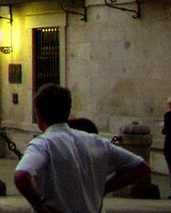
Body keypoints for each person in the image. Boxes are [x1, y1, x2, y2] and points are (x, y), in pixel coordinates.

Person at [13, 83, 149, 213]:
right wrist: (104, 188)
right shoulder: (96, 141)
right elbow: (141, 167)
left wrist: (40, 207)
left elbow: (21, 175)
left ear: (38, 114)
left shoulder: (42, 144)